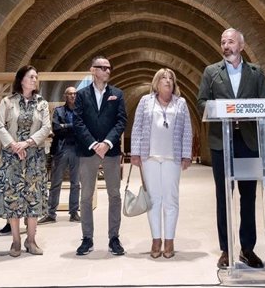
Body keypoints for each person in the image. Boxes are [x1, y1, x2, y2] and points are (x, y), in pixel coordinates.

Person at [196, 28, 265, 269]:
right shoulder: (211, 72)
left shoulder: (256, 72)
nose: (225, 46)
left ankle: (247, 249)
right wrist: (222, 108)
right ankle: (226, 249)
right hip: (222, 142)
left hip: (248, 141)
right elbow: (201, 102)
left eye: (230, 42)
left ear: (241, 45)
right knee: (223, 197)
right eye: (222, 42)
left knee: (248, 196)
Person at [131, 68, 193, 259]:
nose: (168, 81)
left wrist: (186, 154)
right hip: (149, 157)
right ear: (156, 83)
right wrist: (135, 152)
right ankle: (156, 239)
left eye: (171, 79)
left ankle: (169, 241)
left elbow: (187, 130)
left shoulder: (180, 103)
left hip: (172, 158)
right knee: (154, 201)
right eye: (163, 78)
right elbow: (137, 127)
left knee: (171, 200)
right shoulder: (145, 101)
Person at [0, 65, 50, 257]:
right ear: (21, 79)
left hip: (34, 157)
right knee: (12, 197)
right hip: (12, 156)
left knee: (33, 198)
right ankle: (15, 241)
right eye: (31, 76)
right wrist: (14, 145)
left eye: (36, 77)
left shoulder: (42, 103)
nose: (34, 79)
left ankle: (31, 240)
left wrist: (27, 143)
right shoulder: (8, 102)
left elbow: (46, 127)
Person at [73, 56, 127, 257]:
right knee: (85, 196)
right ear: (93, 70)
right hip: (88, 151)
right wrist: (95, 144)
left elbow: (121, 121)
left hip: (111, 151)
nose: (107, 71)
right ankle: (87, 238)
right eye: (102, 67)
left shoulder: (117, 94)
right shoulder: (81, 95)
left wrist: (107, 143)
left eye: (109, 68)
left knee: (114, 194)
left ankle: (114, 238)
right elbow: (78, 122)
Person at [43, 86, 81, 224]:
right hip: (61, 149)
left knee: (75, 183)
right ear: (65, 96)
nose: (73, 96)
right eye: (70, 94)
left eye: (75, 94)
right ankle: (51, 213)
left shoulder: (80, 111)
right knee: (55, 182)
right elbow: (57, 128)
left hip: (77, 149)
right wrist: (72, 126)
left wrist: (66, 126)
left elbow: (82, 128)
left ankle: (74, 212)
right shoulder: (59, 111)